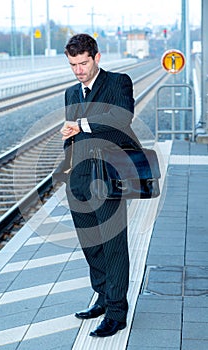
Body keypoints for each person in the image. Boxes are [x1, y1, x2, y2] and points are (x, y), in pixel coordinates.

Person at [53, 33, 140, 338]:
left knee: (113, 246)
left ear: (97, 57)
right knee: (91, 245)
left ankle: (117, 312)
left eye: (83, 63)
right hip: (79, 180)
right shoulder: (70, 93)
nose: (78, 70)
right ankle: (102, 298)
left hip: (109, 178)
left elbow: (121, 117)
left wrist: (83, 125)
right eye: (73, 64)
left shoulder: (118, 82)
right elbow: (74, 135)